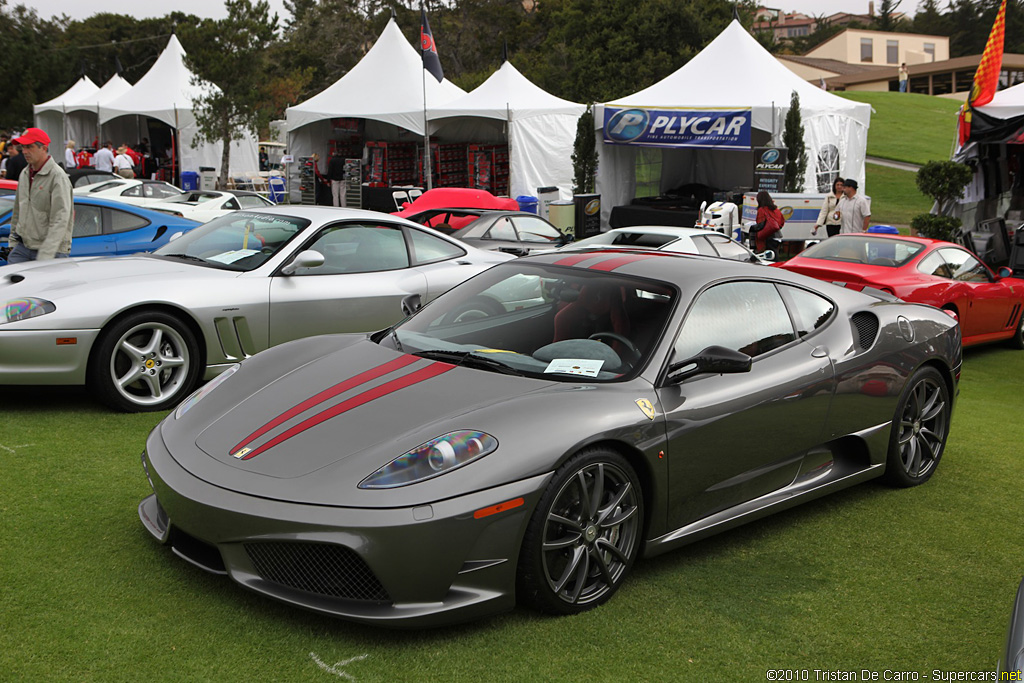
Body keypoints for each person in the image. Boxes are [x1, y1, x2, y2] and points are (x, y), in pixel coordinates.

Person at [6, 127, 73, 263]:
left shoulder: (57, 176)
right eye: (23, 147)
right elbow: (18, 211)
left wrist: (45, 255)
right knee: (10, 281)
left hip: (51, 251)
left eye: (29, 147)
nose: (24, 151)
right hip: (24, 247)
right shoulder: (25, 174)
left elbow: (61, 219)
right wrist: (13, 243)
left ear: (43, 148)